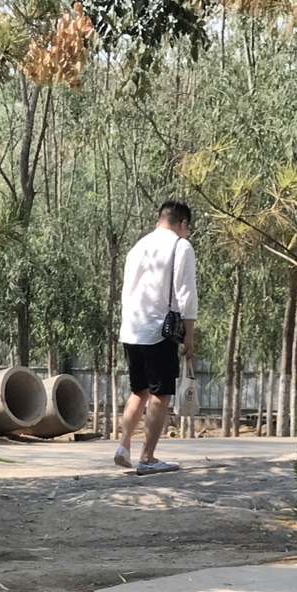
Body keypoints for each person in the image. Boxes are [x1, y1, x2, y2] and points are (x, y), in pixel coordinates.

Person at [114, 200, 196, 476]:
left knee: (139, 390)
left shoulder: (139, 246)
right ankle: (147, 457)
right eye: (187, 228)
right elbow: (185, 294)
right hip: (158, 330)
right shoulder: (180, 246)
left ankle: (123, 447)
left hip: (131, 328)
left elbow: (128, 290)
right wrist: (190, 335)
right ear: (182, 223)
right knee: (161, 394)